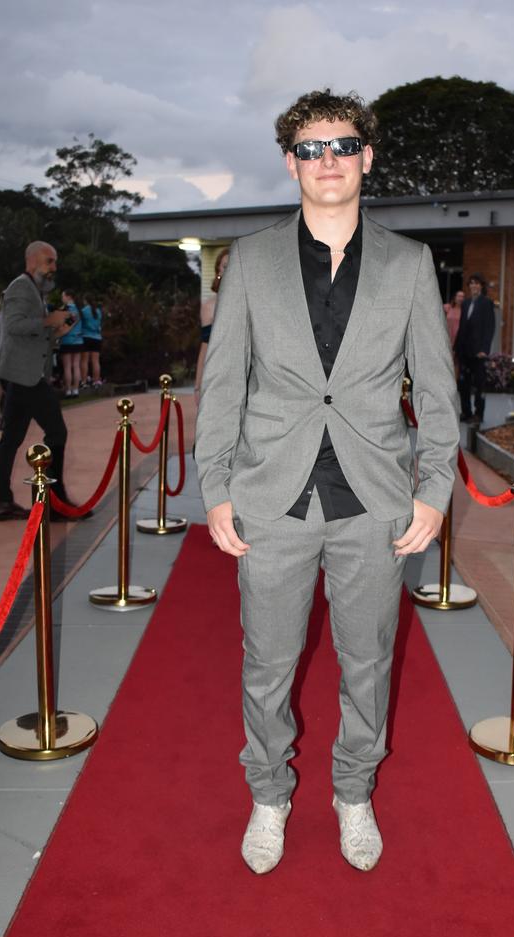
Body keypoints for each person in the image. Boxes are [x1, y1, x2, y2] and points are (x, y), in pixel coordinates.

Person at [195, 89, 459, 876]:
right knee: (268, 663)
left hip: (376, 501)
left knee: (368, 661)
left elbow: (439, 392)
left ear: (366, 157)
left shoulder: (411, 263)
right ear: (290, 163)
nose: (328, 162)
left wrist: (435, 489)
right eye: (310, 150)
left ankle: (353, 793)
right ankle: (269, 795)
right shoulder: (250, 259)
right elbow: (223, 384)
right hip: (271, 497)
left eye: (342, 146)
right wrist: (215, 486)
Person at [0, 242, 78, 520]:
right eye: (49, 261)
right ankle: (54, 503)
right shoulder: (21, 287)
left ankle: (2, 499)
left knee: (10, 439)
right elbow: (13, 326)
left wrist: (58, 331)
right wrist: (47, 321)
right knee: (57, 432)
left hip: (21, 374)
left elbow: (32, 338)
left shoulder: (35, 289)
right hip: (24, 376)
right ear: (32, 261)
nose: (54, 267)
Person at [453, 273, 495, 423]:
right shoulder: (465, 303)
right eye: (471, 283)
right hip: (465, 350)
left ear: (481, 286)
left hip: (479, 352)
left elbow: (489, 328)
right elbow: (462, 327)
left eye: (477, 283)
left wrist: (485, 348)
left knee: (479, 385)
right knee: (463, 384)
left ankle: (479, 413)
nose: (474, 286)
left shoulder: (486, 303)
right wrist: (456, 347)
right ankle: (466, 412)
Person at [194, 247, 229, 399]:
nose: (229, 270)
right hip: (218, 376)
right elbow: (205, 345)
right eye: (225, 266)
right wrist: (198, 385)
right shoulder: (210, 306)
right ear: (218, 271)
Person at [58, 290, 83, 397]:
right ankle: (76, 389)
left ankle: (68, 390)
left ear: (68, 297)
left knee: (67, 366)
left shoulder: (64, 310)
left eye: (63, 296)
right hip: (78, 340)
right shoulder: (79, 309)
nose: (62, 298)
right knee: (76, 365)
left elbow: (63, 327)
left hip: (67, 340)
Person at [80, 295, 103, 388]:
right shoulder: (98, 311)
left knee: (84, 360)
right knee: (95, 361)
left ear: (86, 301)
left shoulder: (84, 311)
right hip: (97, 337)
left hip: (86, 336)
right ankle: (96, 381)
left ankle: (84, 381)